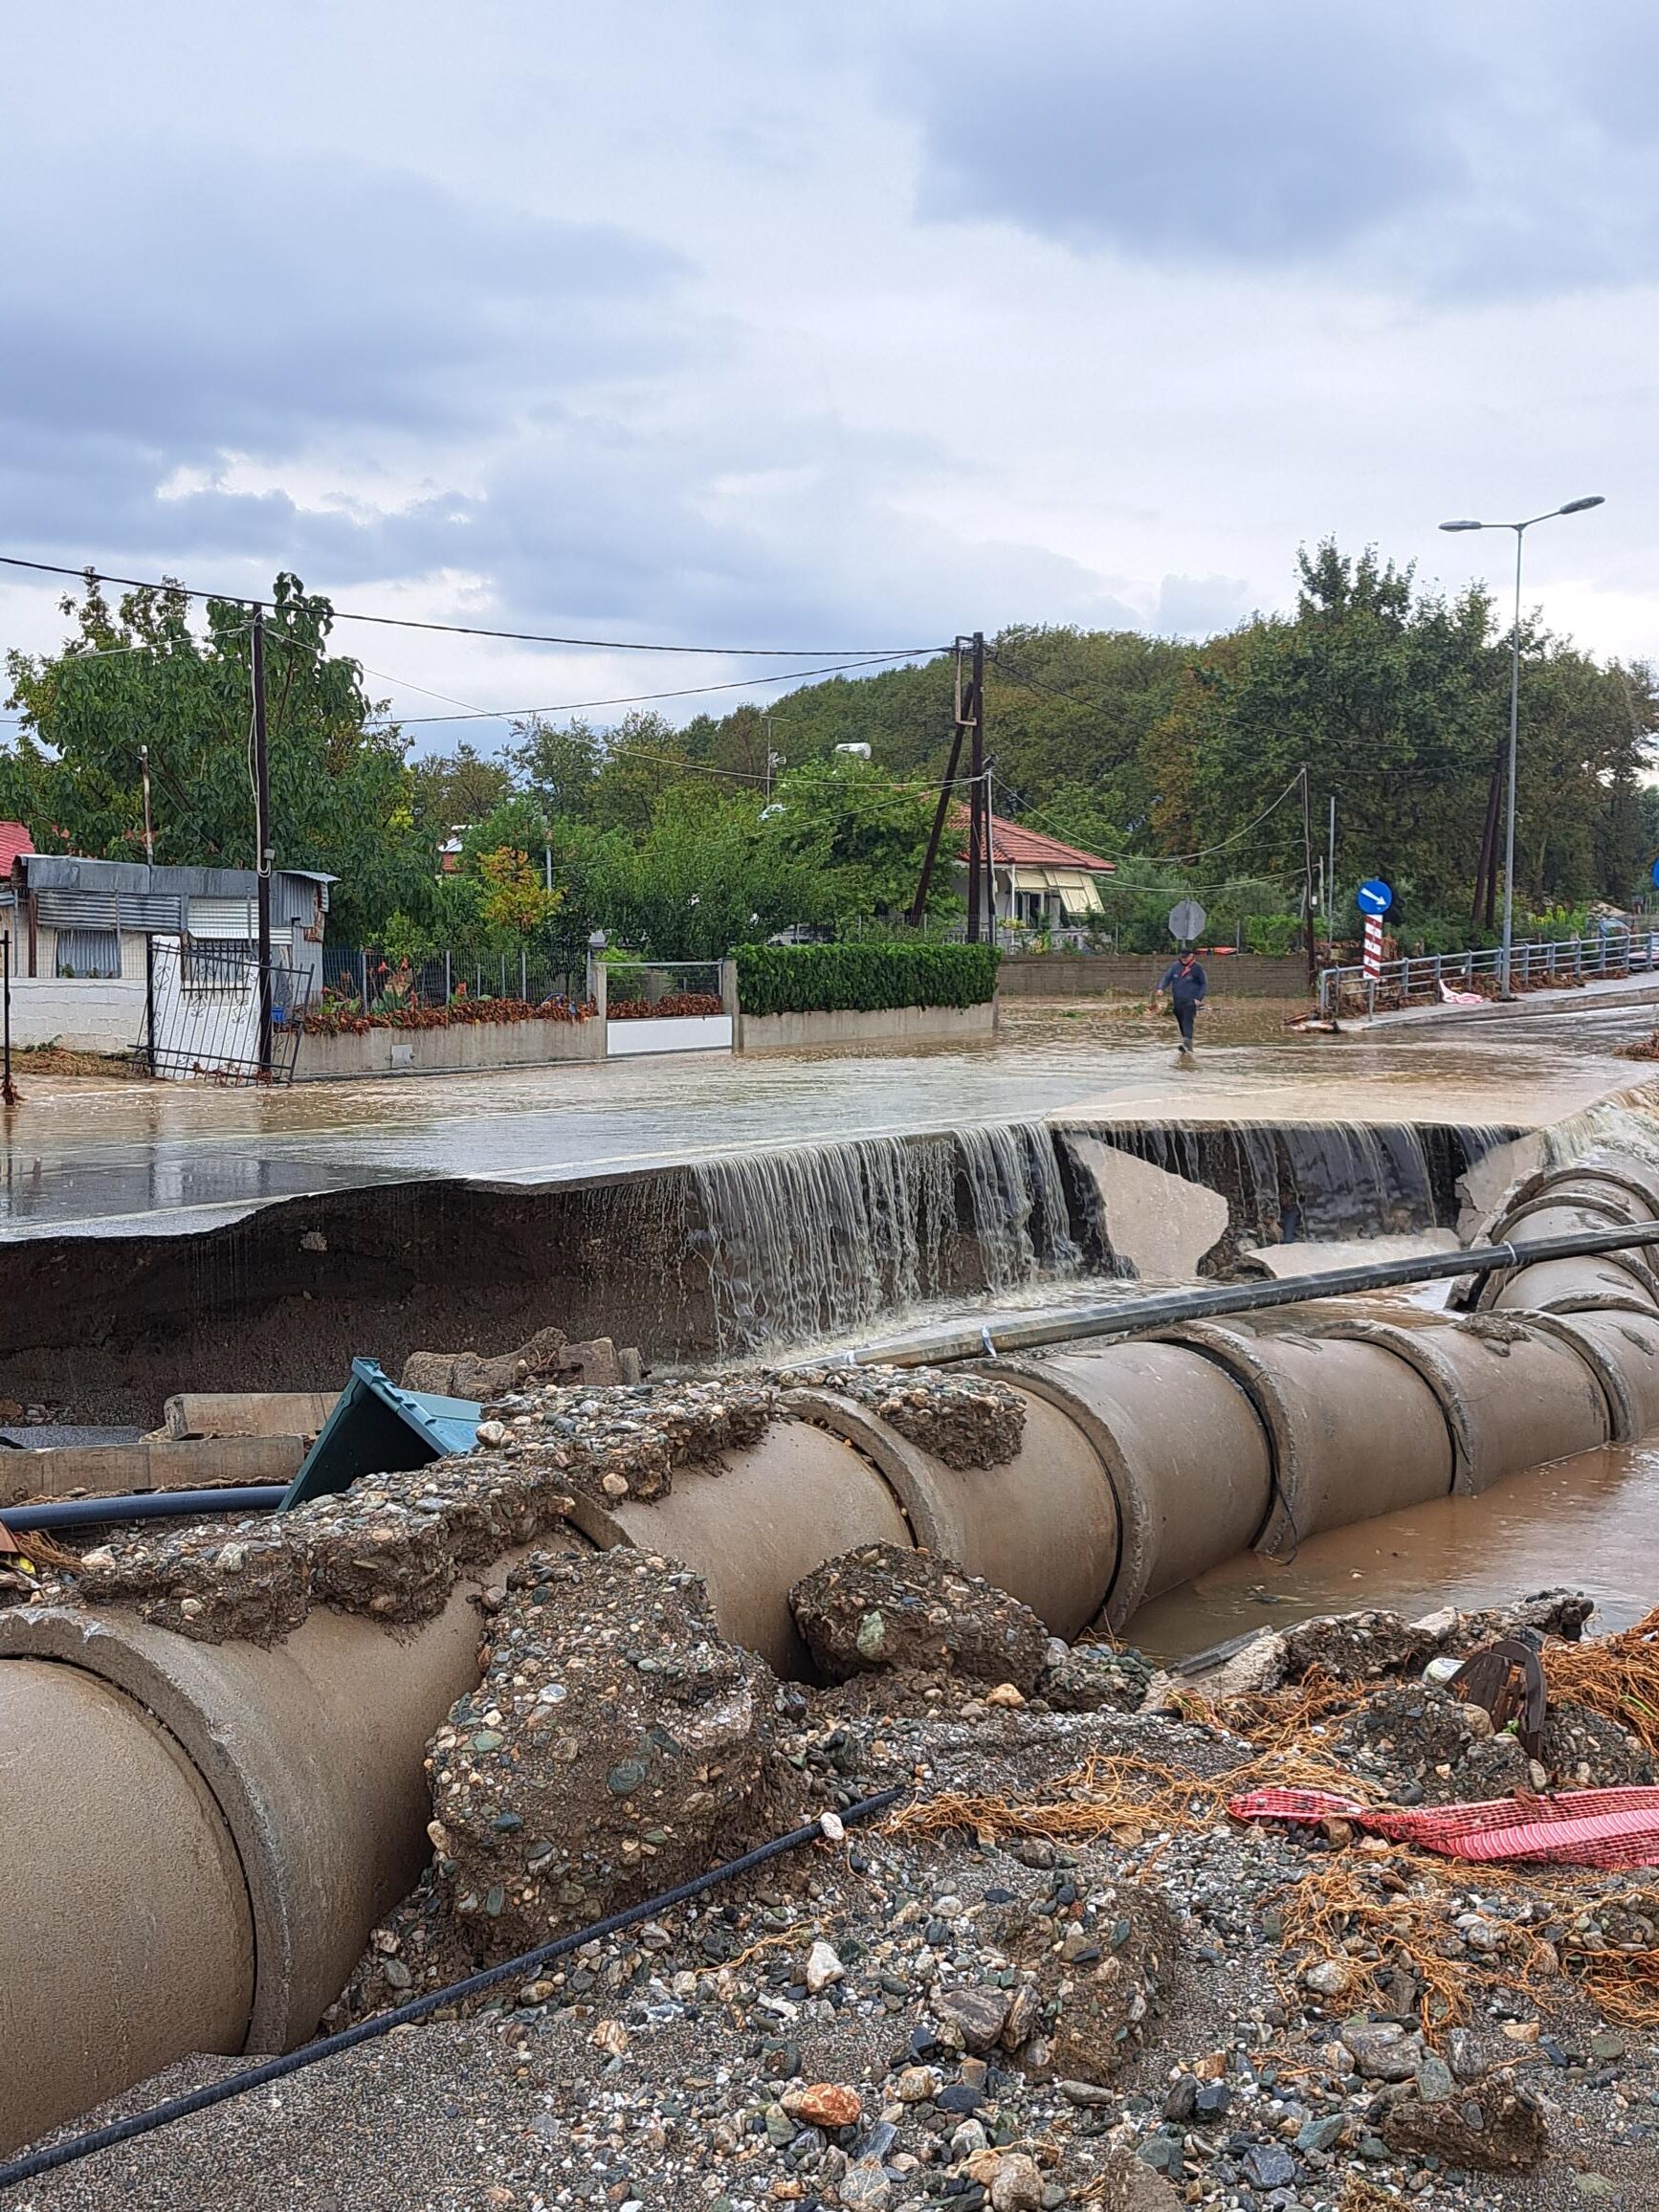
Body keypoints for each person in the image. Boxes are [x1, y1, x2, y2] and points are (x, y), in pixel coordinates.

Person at [1153, 947, 1207, 1055]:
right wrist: (1161, 988)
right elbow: (1167, 978)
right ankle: (1187, 1045)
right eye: (1182, 957)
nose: (1183, 959)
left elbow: (1204, 984)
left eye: (1186, 957)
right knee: (1181, 1021)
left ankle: (1187, 1044)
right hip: (1177, 1001)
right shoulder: (1175, 967)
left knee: (1187, 1021)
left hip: (1190, 1001)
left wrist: (1198, 998)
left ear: (1192, 956)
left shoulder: (1197, 969)